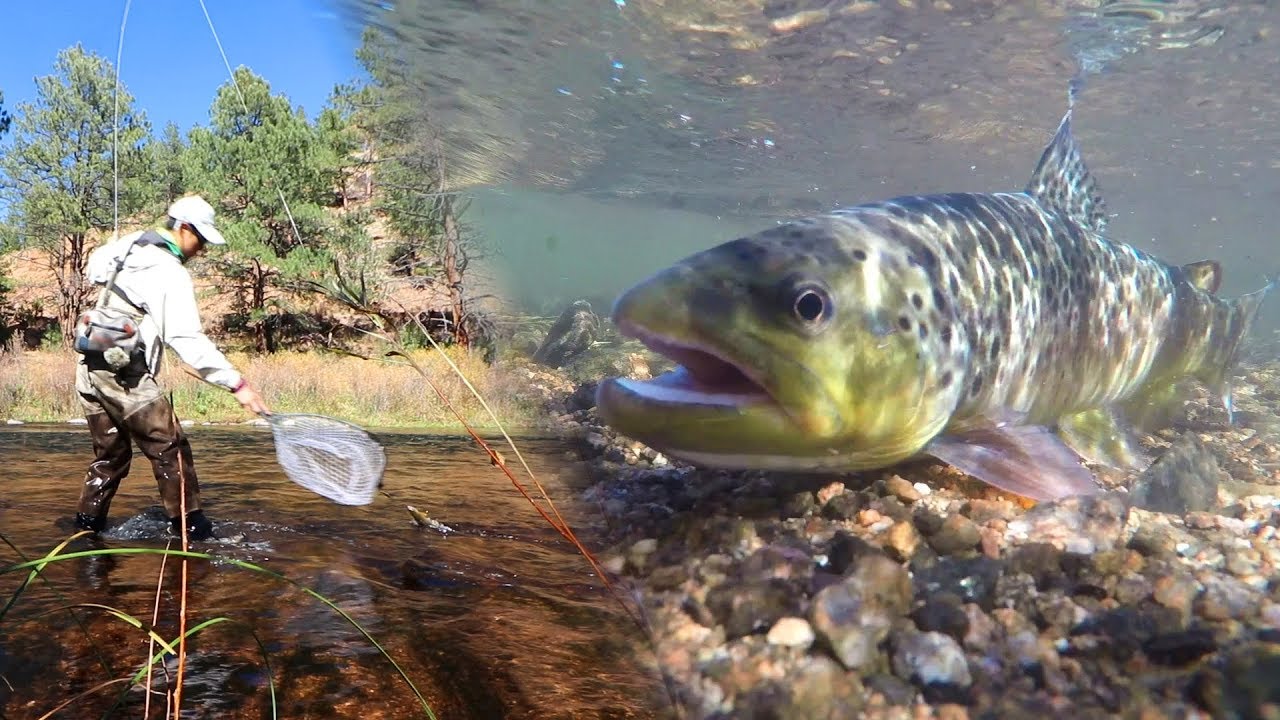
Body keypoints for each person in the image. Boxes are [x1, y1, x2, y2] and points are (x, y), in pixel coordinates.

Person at [73, 194, 269, 541]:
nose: (202, 249)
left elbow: (93, 269)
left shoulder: (129, 245)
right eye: (201, 239)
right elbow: (185, 337)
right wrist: (237, 385)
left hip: (89, 367)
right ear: (182, 228)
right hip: (123, 375)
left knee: (111, 456)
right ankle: (193, 531)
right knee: (170, 445)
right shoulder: (166, 268)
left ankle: (85, 530)